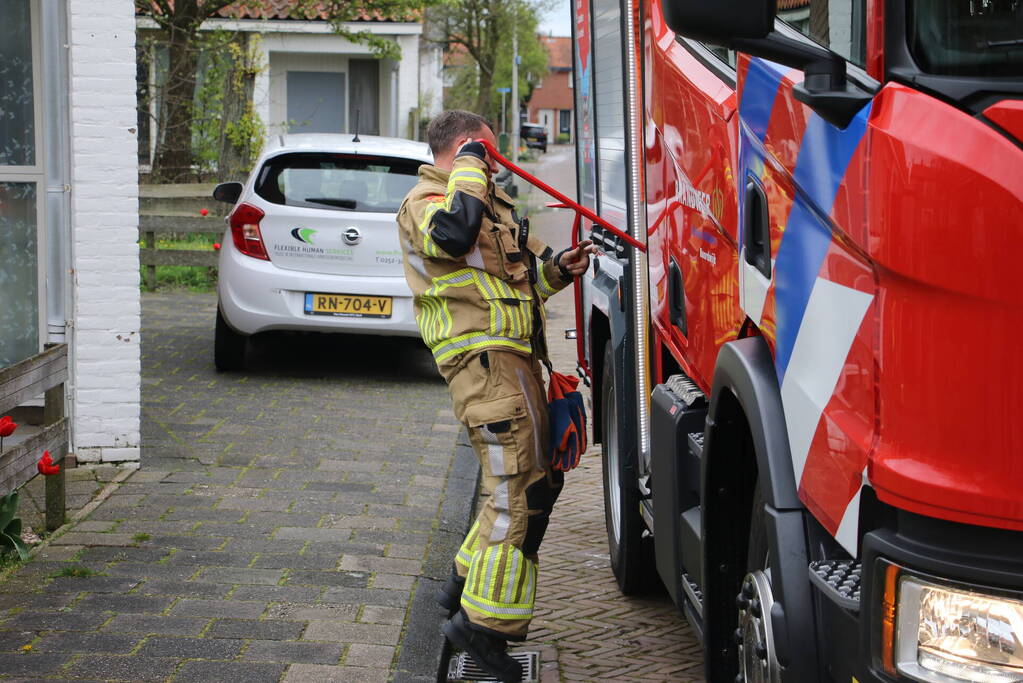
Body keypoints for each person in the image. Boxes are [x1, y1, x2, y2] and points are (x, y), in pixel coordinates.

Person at [397, 110, 593, 683]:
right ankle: (483, 633)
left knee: (539, 482)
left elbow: (514, 283)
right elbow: (453, 236)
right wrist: (469, 169)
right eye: (489, 152)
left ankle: (464, 587)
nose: (497, 161)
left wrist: (558, 269)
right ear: (466, 151)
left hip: (517, 362)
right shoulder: (427, 203)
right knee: (516, 495)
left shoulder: (486, 202)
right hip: (483, 369)